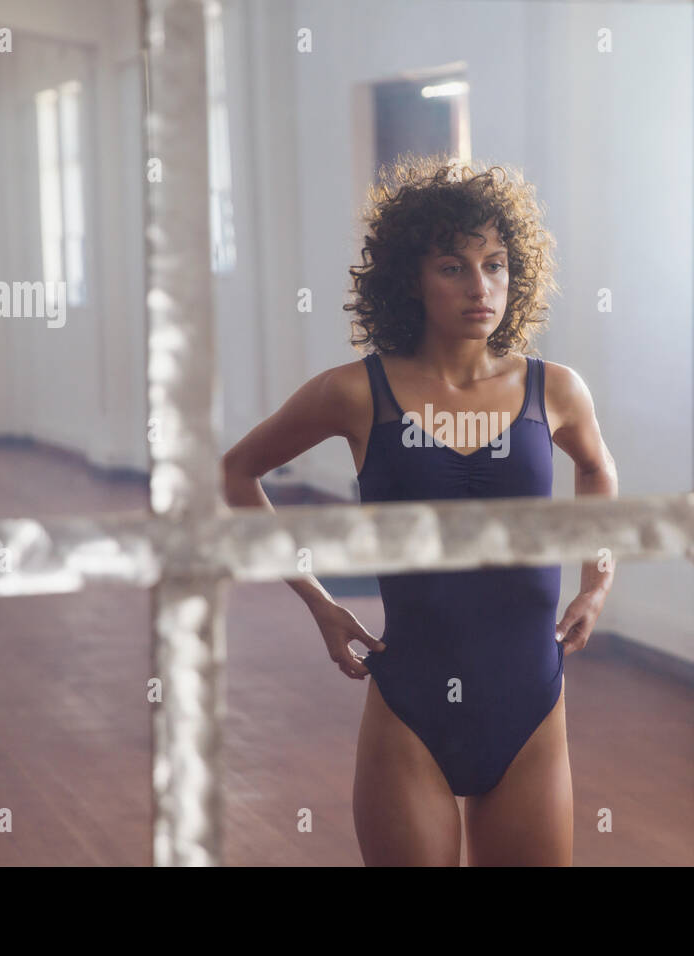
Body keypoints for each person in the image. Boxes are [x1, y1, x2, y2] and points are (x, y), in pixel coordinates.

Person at [221, 155, 617, 865]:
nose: (480, 287)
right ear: (410, 276)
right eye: (453, 267)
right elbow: (238, 471)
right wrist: (317, 601)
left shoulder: (555, 390)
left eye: (495, 265)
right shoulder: (354, 393)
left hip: (531, 707)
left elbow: (595, 469)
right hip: (412, 710)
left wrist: (598, 579)